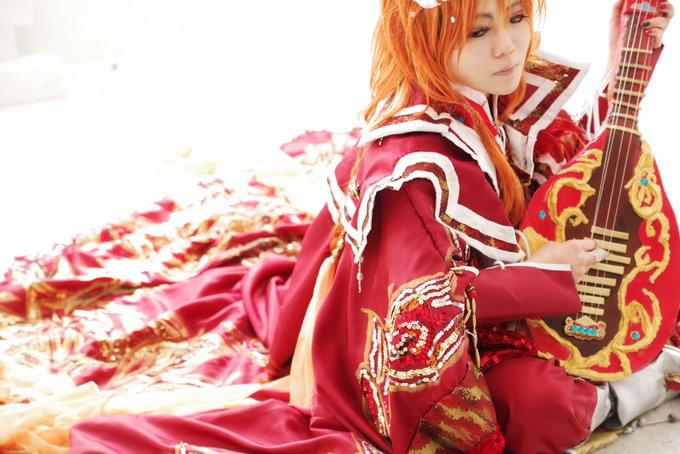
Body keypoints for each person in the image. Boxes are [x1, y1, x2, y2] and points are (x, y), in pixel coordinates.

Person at [67, 0, 678, 453]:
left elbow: (572, 173)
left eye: (517, 18)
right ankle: (632, 390)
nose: (508, 48)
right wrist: (541, 276)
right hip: (396, 334)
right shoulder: (415, 167)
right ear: (423, 37)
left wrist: (627, 66)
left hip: (488, 292)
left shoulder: (492, 89)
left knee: (650, 281)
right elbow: (415, 316)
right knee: (541, 403)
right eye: (479, 30)